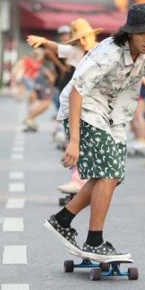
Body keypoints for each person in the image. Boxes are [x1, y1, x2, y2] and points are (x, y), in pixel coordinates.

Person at [43, 3, 145, 261]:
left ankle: (62, 220)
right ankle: (94, 241)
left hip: (115, 114)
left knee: (113, 176)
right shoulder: (110, 52)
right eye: (141, 33)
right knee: (108, 172)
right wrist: (74, 140)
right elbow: (77, 92)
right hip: (85, 108)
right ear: (129, 33)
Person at [27, 18, 103, 194]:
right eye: (79, 39)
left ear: (92, 36)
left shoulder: (104, 51)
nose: (82, 42)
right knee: (75, 142)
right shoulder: (76, 52)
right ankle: (78, 180)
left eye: (85, 37)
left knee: (91, 143)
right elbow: (58, 48)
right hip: (78, 102)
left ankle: (89, 179)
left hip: (99, 104)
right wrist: (44, 41)